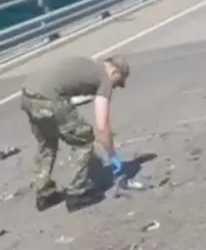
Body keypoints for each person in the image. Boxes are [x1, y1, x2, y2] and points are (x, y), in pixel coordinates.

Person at [20, 55, 130, 212]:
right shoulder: (104, 78)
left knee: (48, 141)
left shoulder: (87, 65)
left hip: (28, 93)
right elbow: (102, 124)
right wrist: (112, 154)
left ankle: (44, 193)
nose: (116, 87)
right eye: (118, 82)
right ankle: (76, 194)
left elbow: (68, 89)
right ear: (115, 71)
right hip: (48, 97)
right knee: (83, 139)